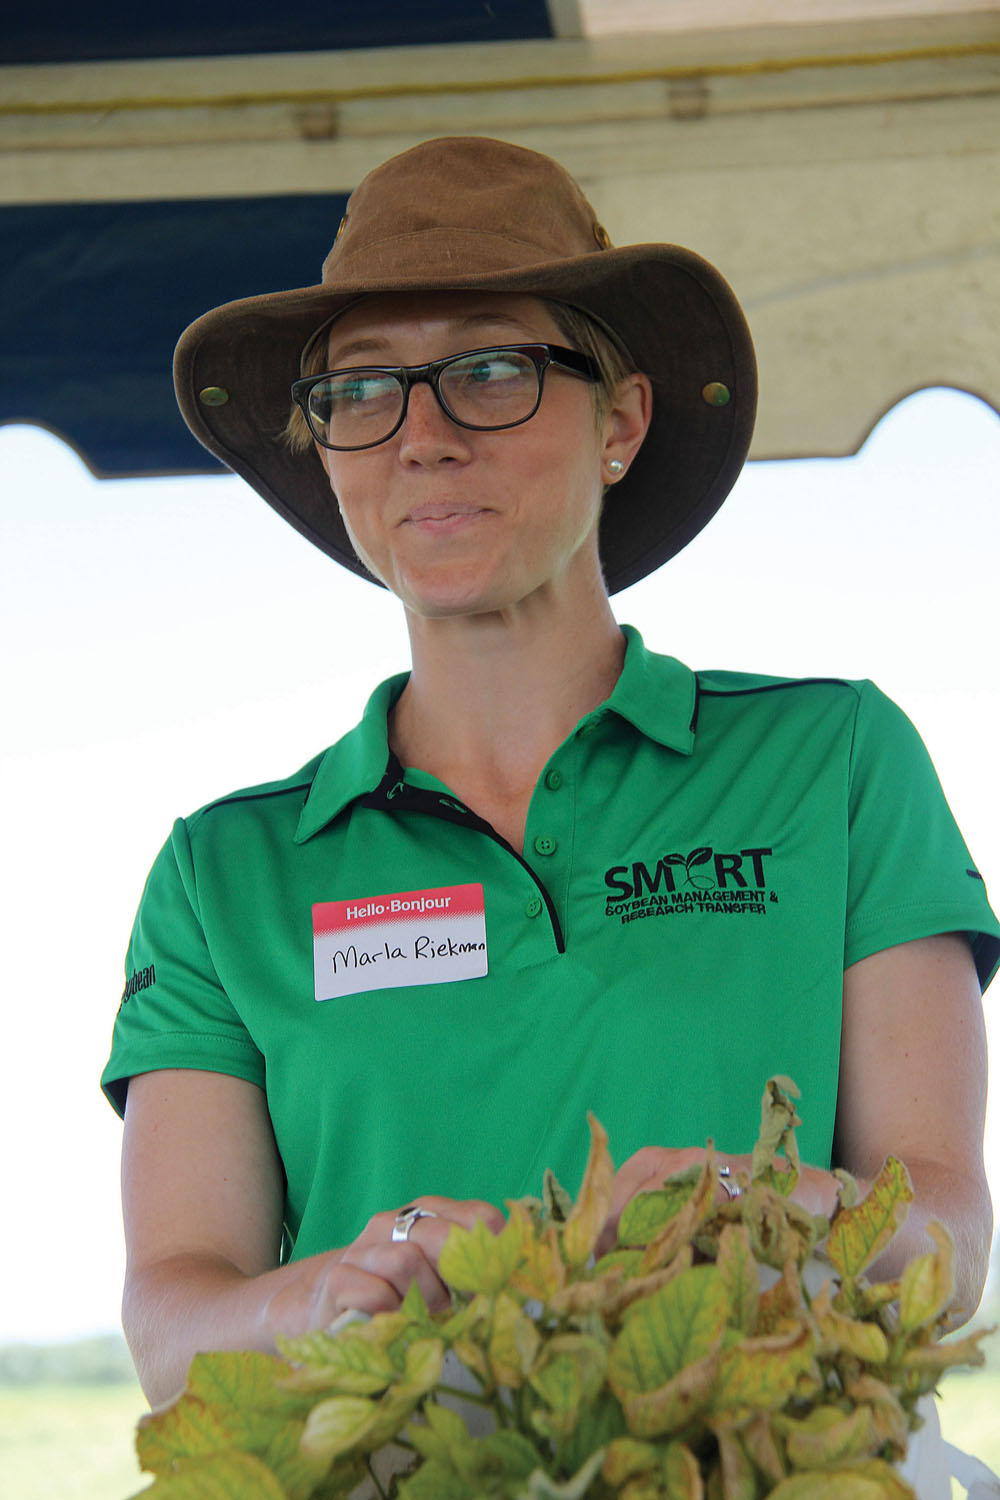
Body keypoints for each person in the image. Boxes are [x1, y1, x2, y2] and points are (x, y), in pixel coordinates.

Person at [101, 136, 1000, 1409]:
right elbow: (173, 1320)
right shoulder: (222, 873)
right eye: (362, 390)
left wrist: (737, 1203)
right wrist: (333, 1292)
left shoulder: (834, 764)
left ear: (620, 417)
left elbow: (946, 1241)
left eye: (489, 369)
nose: (422, 438)